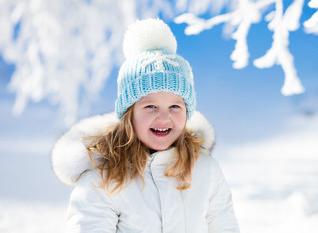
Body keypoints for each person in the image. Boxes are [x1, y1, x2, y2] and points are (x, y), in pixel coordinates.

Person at [52, 18, 240, 233]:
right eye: (150, 106)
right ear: (129, 113)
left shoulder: (206, 170)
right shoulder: (104, 178)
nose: (163, 117)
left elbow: (224, 226)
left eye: (175, 107)